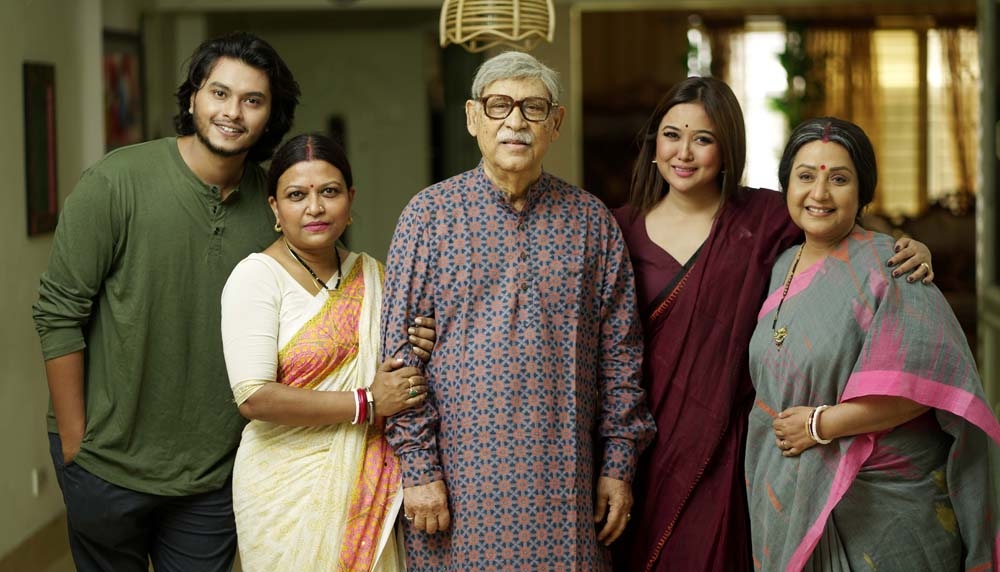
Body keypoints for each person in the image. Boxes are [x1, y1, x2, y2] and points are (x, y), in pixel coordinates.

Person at [611, 77, 934, 572]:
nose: (684, 152)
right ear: (653, 144)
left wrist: (909, 246)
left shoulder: (762, 217)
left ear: (728, 150)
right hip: (639, 445)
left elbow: (836, 226)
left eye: (703, 139)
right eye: (672, 135)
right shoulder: (615, 229)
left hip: (727, 449)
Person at [32, 32, 300, 571]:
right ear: (194, 96)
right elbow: (58, 312)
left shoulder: (275, 208)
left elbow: (316, 307)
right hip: (105, 463)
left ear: (271, 116)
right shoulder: (116, 182)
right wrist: (76, 443)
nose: (232, 112)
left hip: (212, 476)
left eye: (252, 100)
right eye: (219, 93)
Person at [379, 51, 656, 570]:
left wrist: (618, 465)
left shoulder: (591, 222)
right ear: (472, 117)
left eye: (533, 107)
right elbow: (399, 359)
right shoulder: (428, 217)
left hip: (566, 485)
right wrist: (418, 469)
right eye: (499, 105)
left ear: (556, 122)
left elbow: (621, 358)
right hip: (457, 484)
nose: (515, 121)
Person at [746, 116, 1000, 570]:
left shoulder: (893, 265)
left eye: (839, 179)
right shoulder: (780, 263)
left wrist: (819, 425)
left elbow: (929, 386)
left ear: (864, 191)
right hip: (792, 495)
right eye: (805, 176)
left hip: (885, 511)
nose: (819, 193)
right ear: (786, 186)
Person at [220, 133, 437, 571]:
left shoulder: (375, 276)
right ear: (274, 207)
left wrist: (425, 341)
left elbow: (400, 371)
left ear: (350, 199)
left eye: (329, 192)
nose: (315, 207)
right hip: (282, 491)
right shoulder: (256, 277)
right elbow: (253, 397)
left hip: (364, 480)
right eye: (297, 195)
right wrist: (367, 402)